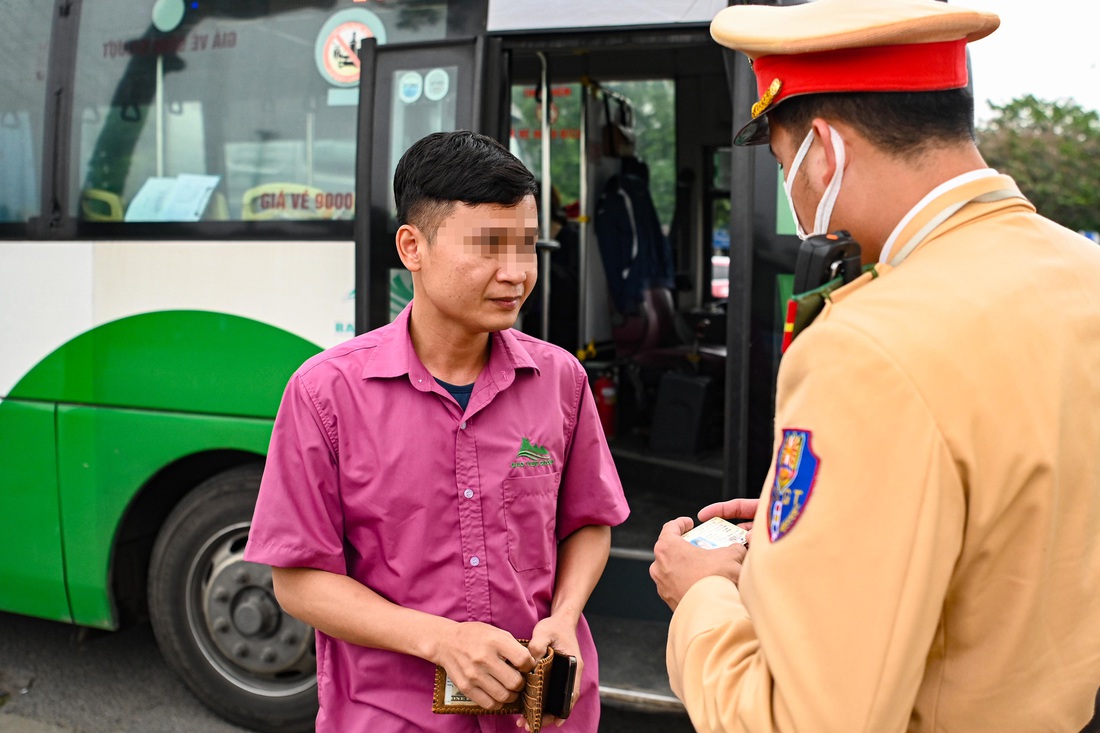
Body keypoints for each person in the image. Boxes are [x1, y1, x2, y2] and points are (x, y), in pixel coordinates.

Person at [648, 0, 1100, 730]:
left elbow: (802, 720)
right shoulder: (1082, 273)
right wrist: (833, 526)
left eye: (782, 163)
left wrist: (700, 597)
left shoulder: (869, 345)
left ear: (823, 151)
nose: (794, 194)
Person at [244, 130, 629, 732]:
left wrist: (563, 617)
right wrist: (440, 640)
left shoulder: (560, 380)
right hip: (393, 714)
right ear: (412, 247)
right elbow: (298, 581)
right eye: (488, 247)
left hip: (545, 716)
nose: (514, 273)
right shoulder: (326, 394)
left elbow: (587, 523)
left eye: (526, 247)